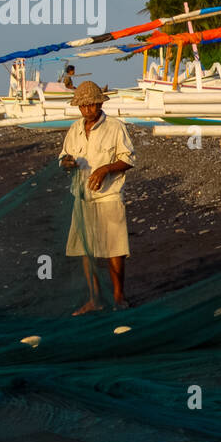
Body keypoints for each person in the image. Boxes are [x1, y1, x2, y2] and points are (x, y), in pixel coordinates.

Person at [59, 81, 135, 314]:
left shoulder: (115, 127)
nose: (87, 110)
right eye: (83, 106)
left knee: (115, 248)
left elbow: (128, 159)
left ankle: (119, 297)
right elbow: (63, 157)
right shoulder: (74, 130)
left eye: (91, 105)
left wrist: (105, 170)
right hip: (82, 196)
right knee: (86, 249)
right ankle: (95, 299)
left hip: (109, 195)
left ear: (100, 103)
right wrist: (67, 163)